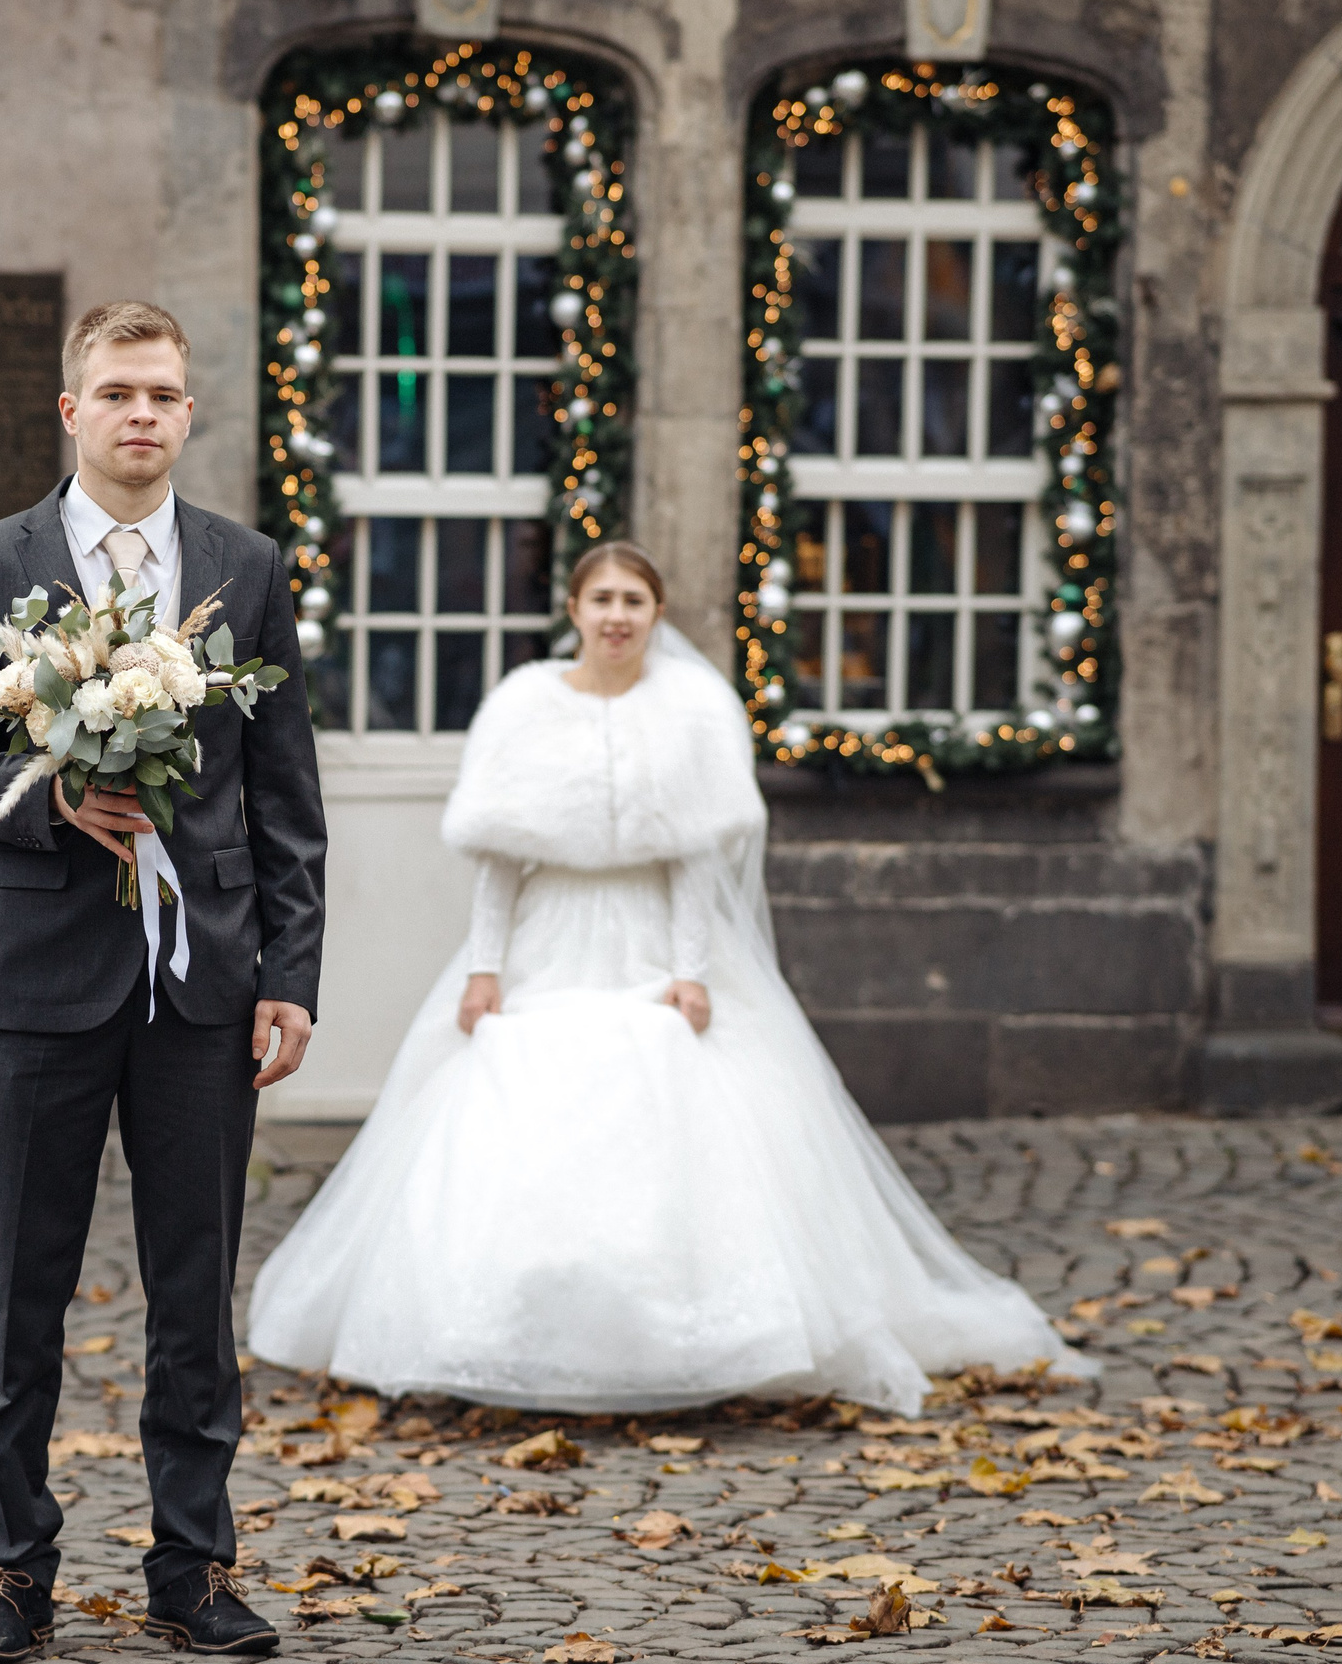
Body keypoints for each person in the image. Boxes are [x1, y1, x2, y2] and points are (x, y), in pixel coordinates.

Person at [246, 542, 1091, 1417]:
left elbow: (693, 856)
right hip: (551, 936)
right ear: (573, 609)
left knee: (687, 1113)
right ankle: (519, 1328)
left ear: (657, 613)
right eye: (602, 597)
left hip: (655, 936)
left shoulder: (692, 708)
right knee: (523, 1117)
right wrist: (485, 967)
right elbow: (498, 858)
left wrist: (690, 972)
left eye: (635, 600)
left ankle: (697, 1338)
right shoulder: (523, 705)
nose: (617, 615)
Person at [0, 301, 325, 1661]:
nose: (141, 413)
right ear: (71, 412)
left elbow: (283, 795)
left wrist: (289, 973)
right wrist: (49, 796)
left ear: (188, 413)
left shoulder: (245, 567)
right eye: (116, 391)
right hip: (36, 990)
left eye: (163, 393)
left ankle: (192, 1563)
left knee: (195, 1292)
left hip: (201, 992)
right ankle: (10, 1570)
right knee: (18, 1289)